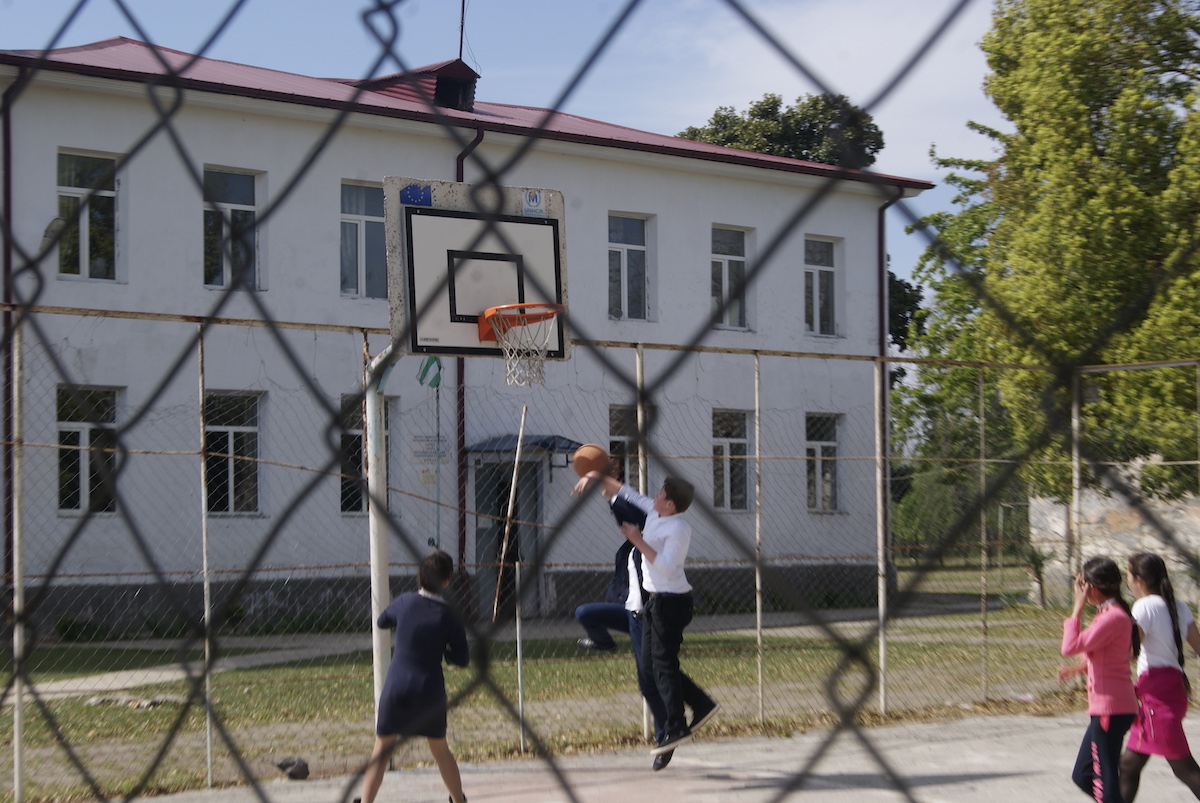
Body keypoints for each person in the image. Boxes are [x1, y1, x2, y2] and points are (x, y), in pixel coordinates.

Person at [573, 464, 716, 770]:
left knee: (662, 666)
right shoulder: (655, 512)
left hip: (672, 603)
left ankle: (676, 726)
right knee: (652, 665)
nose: (656, 494)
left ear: (671, 503)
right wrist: (593, 476)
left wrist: (637, 539)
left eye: (662, 492)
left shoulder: (678, 529)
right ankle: (701, 703)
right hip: (654, 604)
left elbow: (665, 566)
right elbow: (627, 493)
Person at [357, 550, 470, 803]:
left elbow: (382, 621)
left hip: (397, 687)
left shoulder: (405, 602)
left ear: (420, 577)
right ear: (446, 581)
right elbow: (463, 659)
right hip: (429, 690)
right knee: (440, 749)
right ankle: (458, 800)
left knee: (382, 748)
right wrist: (444, 653)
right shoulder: (451, 616)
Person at [1119, 552, 1200, 801]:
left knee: (1185, 769)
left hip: (1156, 696)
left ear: (1139, 580)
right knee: (1129, 765)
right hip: (1172, 689)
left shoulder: (1144, 606)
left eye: (1128, 576)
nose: (1127, 582)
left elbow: (1131, 652)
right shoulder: (1180, 606)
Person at [1058, 555, 1138, 803]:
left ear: (1090, 588)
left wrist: (1077, 606)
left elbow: (1069, 646)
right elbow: (1110, 658)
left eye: (1082, 585)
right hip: (1111, 708)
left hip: (1110, 709)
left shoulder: (1111, 617)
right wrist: (1081, 668)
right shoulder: (1112, 614)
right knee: (1084, 774)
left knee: (1104, 781)